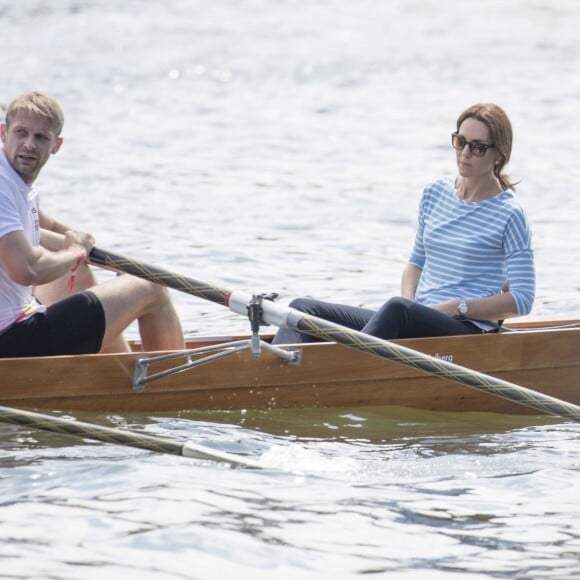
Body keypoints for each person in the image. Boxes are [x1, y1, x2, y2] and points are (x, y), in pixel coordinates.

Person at [273, 103, 535, 344]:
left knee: (396, 309)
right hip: (413, 316)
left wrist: (458, 306)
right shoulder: (434, 193)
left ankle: (339, 372)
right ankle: (276, 381)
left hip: (467, 329)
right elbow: (415, 263)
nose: (465, 153)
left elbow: (522, 299)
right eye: (460, 142)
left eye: (477, 147)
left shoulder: (509, 212)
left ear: (499, 155)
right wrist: (411, 304)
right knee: (301, 310)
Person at [0, 91, 185, 358]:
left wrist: (93, 251)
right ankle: (174, 389)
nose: (29, 144)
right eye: (21, 133)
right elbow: (26, 270)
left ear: (56, 144)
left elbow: (42, 224)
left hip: (18, 322)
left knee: (72, 273)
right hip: (12, 342)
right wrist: (75, 252)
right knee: (151, 286)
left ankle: (117, 380)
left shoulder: (13, 179)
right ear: (4, 133)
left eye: (40, 137)